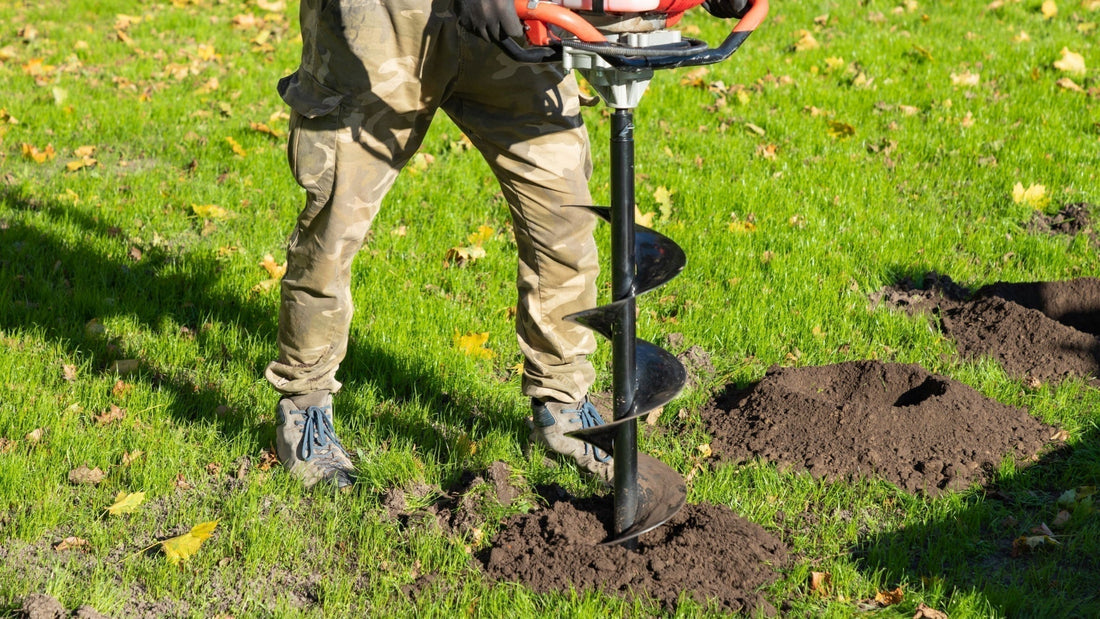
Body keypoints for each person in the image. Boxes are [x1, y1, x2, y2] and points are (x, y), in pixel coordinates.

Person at [264, 0, 613, 489]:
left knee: (564, 216)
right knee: (335, 223)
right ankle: (304, 404)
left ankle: (562, 402)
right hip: (383, 22)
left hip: (511, 21)